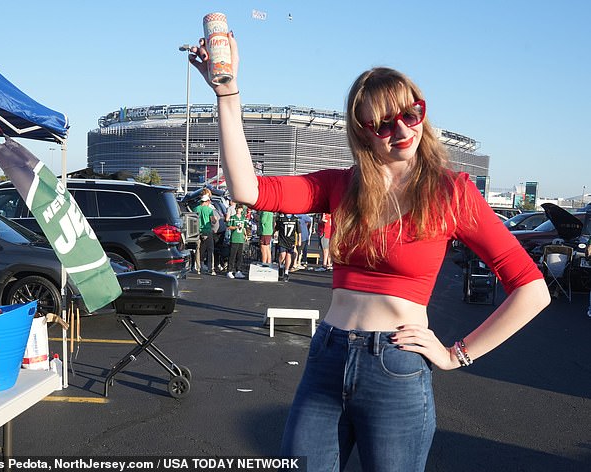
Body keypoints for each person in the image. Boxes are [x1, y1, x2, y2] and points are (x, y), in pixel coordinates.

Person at [188, 31, 550, 472]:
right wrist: (227, 94)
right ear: (362, 132)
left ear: (422, 113)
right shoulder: (340, 187)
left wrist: (457, 354)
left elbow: (532, 289)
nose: (400, 130)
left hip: (397, 365)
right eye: (382, 124)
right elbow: (248, 189)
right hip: (328, 354)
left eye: (410, 114)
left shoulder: (451, 193)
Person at [194, 194, 217, 275]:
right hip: (207, 231)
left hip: (197, 231)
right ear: (207, 201)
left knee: (198, 249)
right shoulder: (209, 210)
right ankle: (211, 269)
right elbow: (213, 221)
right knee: (210, 250)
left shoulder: (196, 208)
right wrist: (216, 219)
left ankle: (198, 268)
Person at [275, 213, 301, 282]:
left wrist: (299, 240)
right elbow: (276, 228)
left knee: (288, 255)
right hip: (282, 240)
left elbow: (299, 231)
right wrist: (273, 234)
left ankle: (286, 272)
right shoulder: (281, 218)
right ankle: (280, 266)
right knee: (282, 255)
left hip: (291, 241)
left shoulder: (295, 219)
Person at [227, 204, 248, 279]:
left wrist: (245, 235)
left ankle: (238, 270)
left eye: (239, 209)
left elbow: (244, 227)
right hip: (234, 238)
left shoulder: (243, 218)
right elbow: (229, 226)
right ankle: (229, 270)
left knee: (239, 256)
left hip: (240, 239)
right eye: (237, 209)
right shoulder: (233, 217)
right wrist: (235, 227)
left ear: (242, 210)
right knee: (232, 255)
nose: (238, 210)